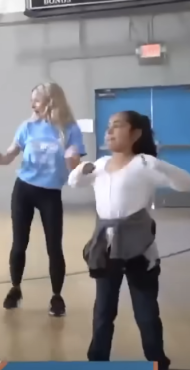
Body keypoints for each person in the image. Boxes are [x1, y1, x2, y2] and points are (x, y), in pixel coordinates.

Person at [68, 111, 187, 370]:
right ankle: (97, 361)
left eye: (117, 126)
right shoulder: (100, 164)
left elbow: (184, 183)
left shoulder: (144, 164)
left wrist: (161, 166)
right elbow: (74, 182)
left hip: (139, 250)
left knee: (146, 314)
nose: (109, 131)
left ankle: (157, 361)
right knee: (102, 312)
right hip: (106, 248)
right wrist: (81, 169)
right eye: (108, 127)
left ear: (135, 134)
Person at [0, 82, 84, 316]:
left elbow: (76, 165)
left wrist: (75, 162)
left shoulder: (70, 128)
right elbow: (10, 155)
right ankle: (15, 288)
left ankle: (56, 296)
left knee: (54, 246)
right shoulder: (27, 127)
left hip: (50, 193)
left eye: (37, 99)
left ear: (52, 101)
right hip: (24, 188)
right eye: (32, 99)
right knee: (19, 243)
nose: (32, 104)